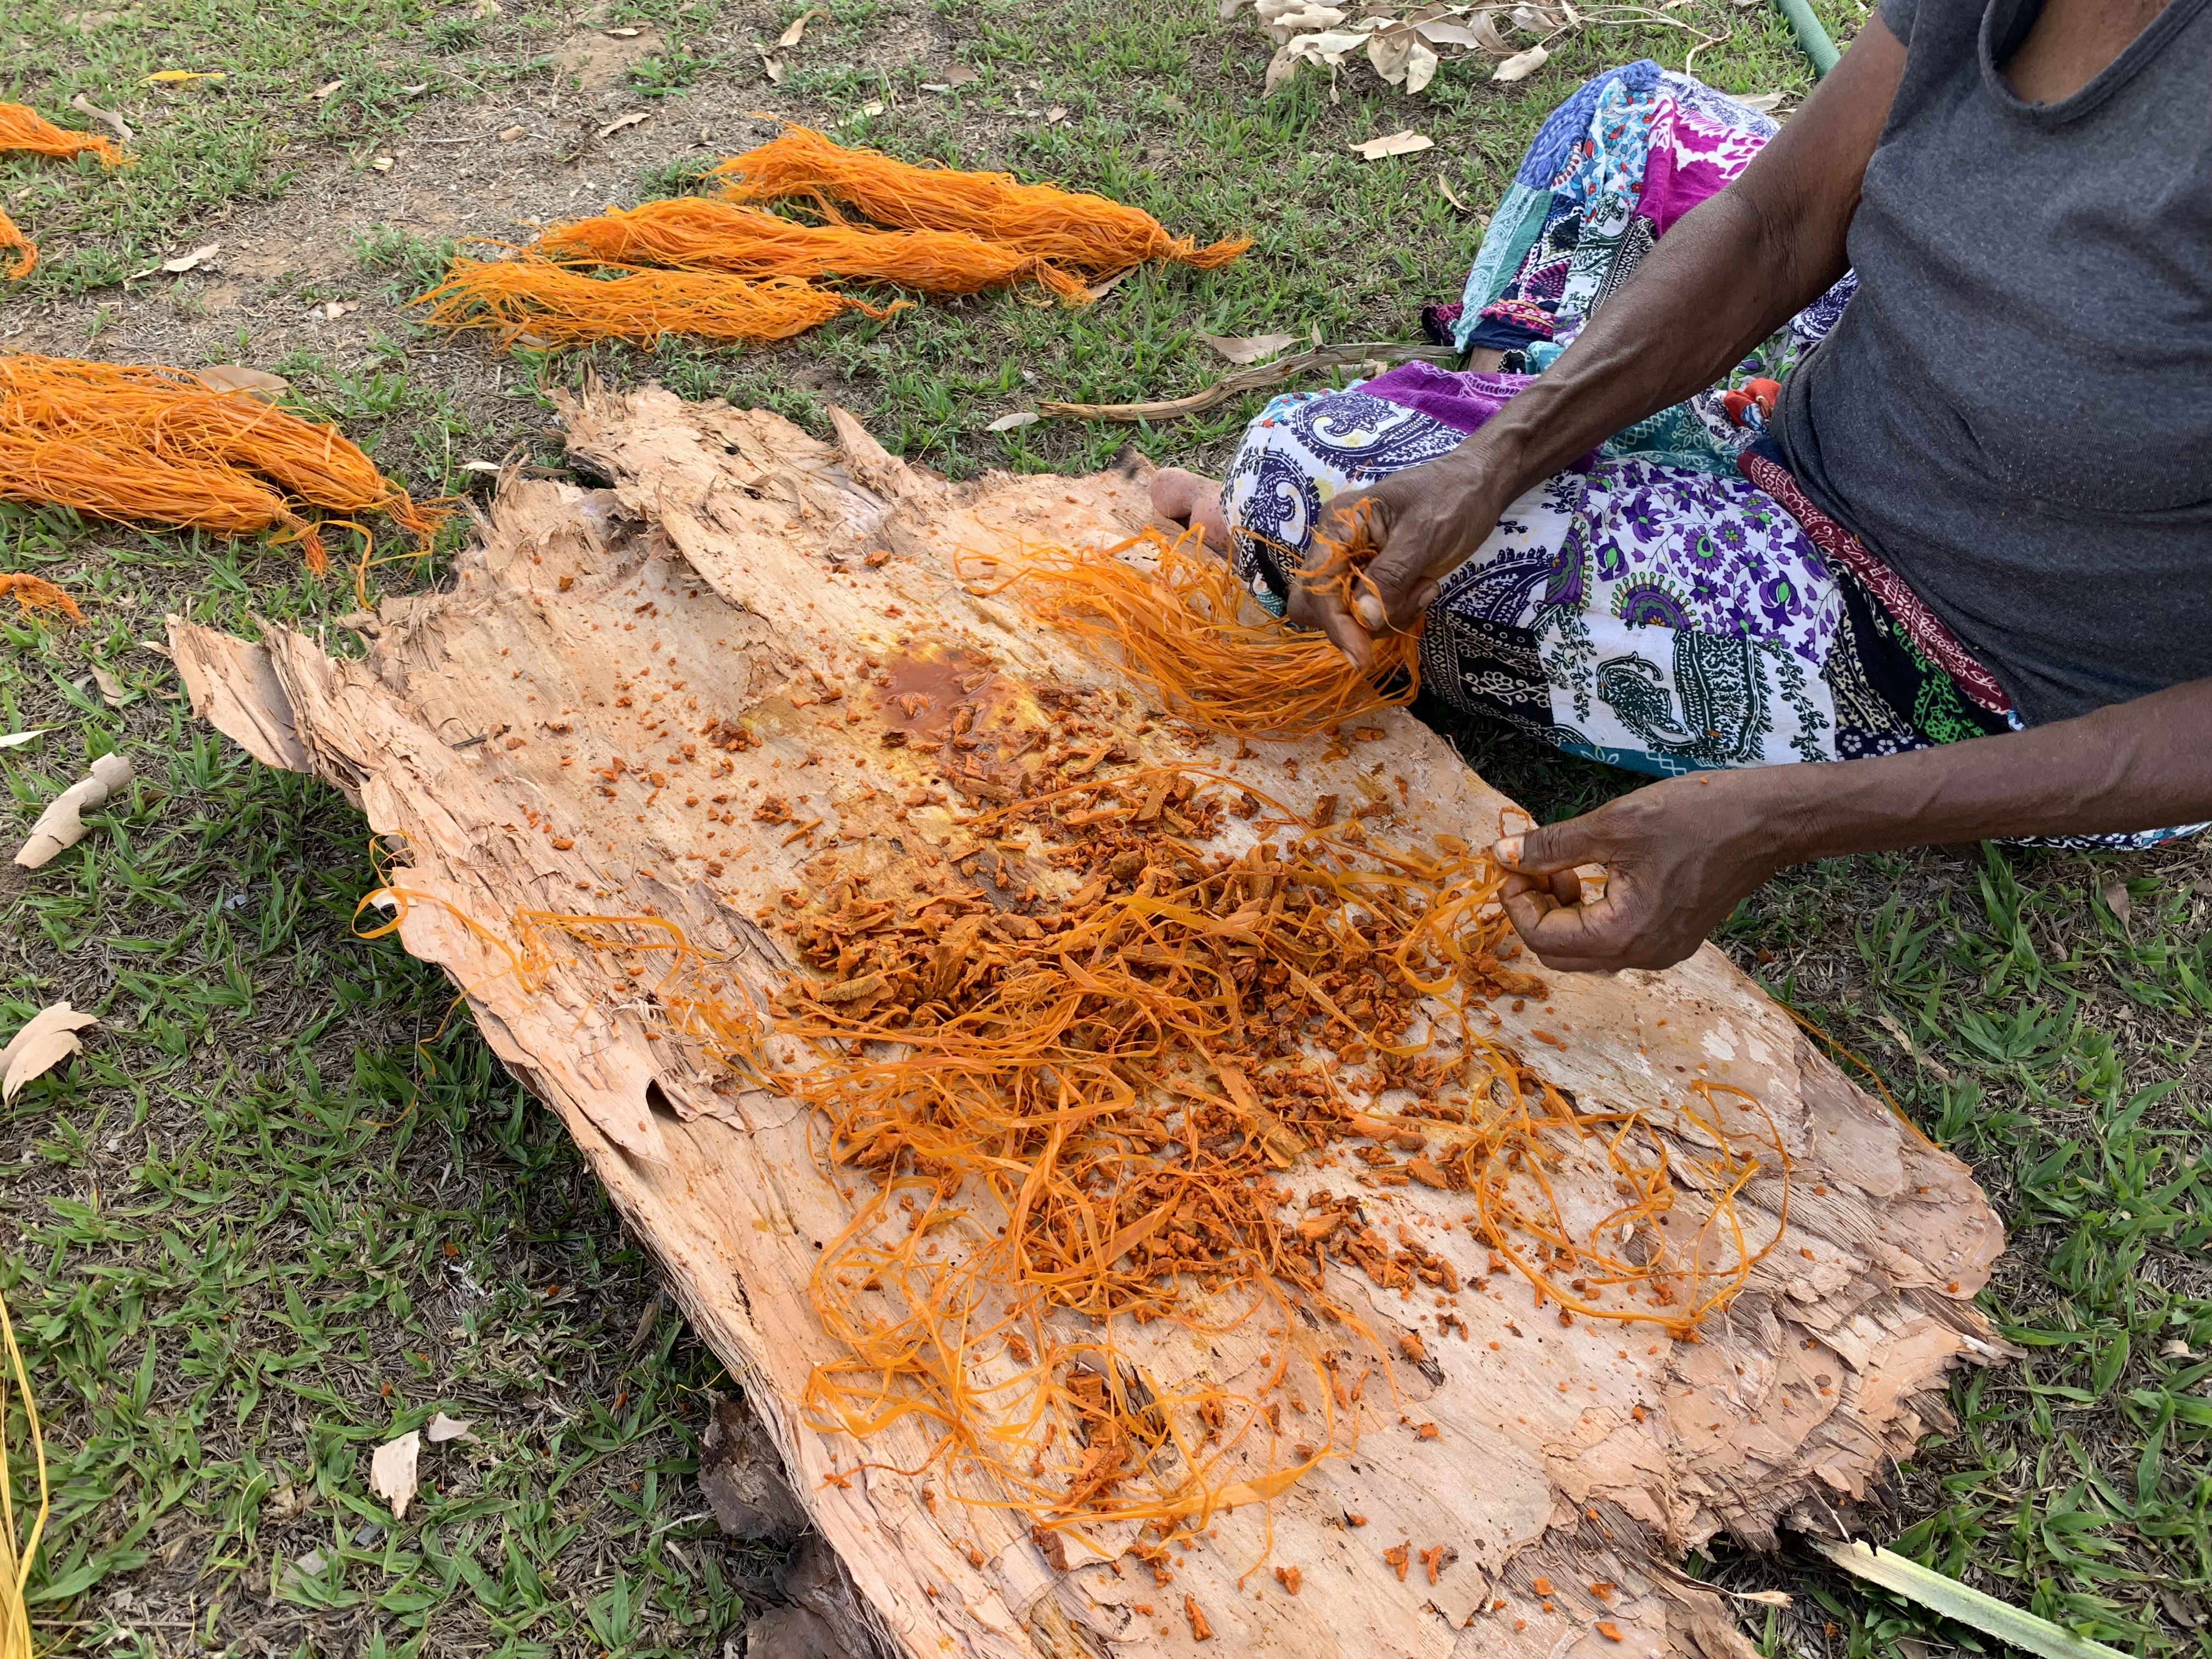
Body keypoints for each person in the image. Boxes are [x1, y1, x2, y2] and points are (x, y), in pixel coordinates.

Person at [1152, 0, 2211, 974]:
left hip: (1968, 653)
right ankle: (1533, 433)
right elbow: (1777, 223)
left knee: (1298, 488)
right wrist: (1500, 458)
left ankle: (1580, 475)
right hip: (1851, 382)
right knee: (1625, 125)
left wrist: (1780, 819)